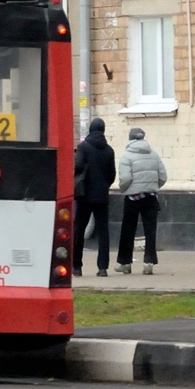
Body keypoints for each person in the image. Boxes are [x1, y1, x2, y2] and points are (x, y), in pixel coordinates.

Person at [115, 127, 168, 275]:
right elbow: (163, 176)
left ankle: (125, 263)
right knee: (150, 231)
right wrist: (153, 187)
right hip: (151, 197)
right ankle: (149, 263)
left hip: (132, 198)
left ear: (130, 138)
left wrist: (123, 189)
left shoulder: (126, 156)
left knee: (128, 230)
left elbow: (125, 178)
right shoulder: (154, 155)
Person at [73, 117, 117, 277]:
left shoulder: (83, 147)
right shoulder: (109, 150)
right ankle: (103, 268)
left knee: (79, 230)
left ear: (91, 129)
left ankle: (77, 266)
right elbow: (112, 174)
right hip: (102, 196)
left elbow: (77, 166)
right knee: (103, 232)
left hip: (84, 195)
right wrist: (104, 186)